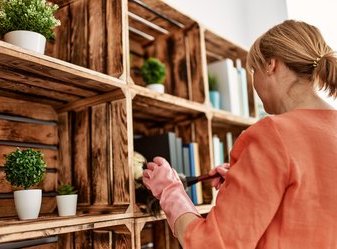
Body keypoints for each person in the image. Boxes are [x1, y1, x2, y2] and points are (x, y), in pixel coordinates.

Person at [142, 19, 337, 248]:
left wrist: (169, 190)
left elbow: (213, 244)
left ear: (271, 65)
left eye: (253, 70)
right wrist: (246, 178)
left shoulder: (273, 133)